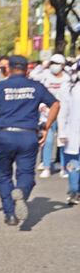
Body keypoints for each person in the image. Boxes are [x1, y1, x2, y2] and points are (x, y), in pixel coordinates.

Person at [0, 55, 60, 226]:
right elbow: (55, 104)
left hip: (3, 135)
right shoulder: (36, 87)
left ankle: (10, 214)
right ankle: (21, 190)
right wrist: (47, 127)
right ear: (27, 69)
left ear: (8, 68)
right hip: (27, 135)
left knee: (4, 175)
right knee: (27, 173)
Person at [37, 53, 69, 178]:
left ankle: (63, 167)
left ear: (62, 65)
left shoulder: (67, 78)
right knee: (48, 140)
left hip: (63, 114)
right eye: (52, 63)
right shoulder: (45, 75)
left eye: (57, 64)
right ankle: (46, 167)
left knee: (62, 140)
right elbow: (34, 78)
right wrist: (42, 66)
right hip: (47, 113)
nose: (54, 66)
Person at [58, 70, 80, 204]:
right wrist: (62, 132)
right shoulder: (70, 89)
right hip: (72, 134)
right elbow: (62, 112)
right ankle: (73, 191)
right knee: (73, 164)